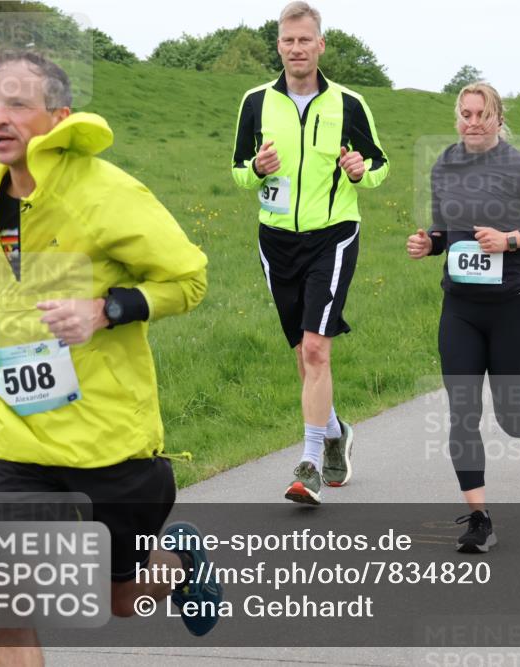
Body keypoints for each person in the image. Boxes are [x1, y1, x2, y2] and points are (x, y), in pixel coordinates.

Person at [0, 51, 221, 665]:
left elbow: (189, 280)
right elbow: (7, 286)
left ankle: (173, 566)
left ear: (58, 115)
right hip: (15, 432)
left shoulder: (107, 193)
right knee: (7, 600)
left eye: (17, 102)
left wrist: (107, 310)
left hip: (105, 436)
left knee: (122, 598)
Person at [230, 1, 389, 505]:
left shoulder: (349, 104)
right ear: (278, 45)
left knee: (318, 348)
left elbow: (381, 165)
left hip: (332, 235)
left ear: (321, 45)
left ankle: (311, 464)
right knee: (303, 354)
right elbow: (236, 171)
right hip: (275, 240)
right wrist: (255, 167)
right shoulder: (255, 102)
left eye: (305, 40)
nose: (296, 49)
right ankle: (336, 430)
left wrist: (364, 171)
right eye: (288, 40)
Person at [406, 83, 520, 553]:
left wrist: (511, 240)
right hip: (461, 307)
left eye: (482, 114)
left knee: (508, 413)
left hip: (514, 305)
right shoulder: (446, 166)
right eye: (466, 114)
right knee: (462, 412)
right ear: (457, 118)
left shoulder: (519, 166)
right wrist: (429, 244)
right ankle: (480, 519)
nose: (473, 122)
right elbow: (447, 232)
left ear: (498, 119)